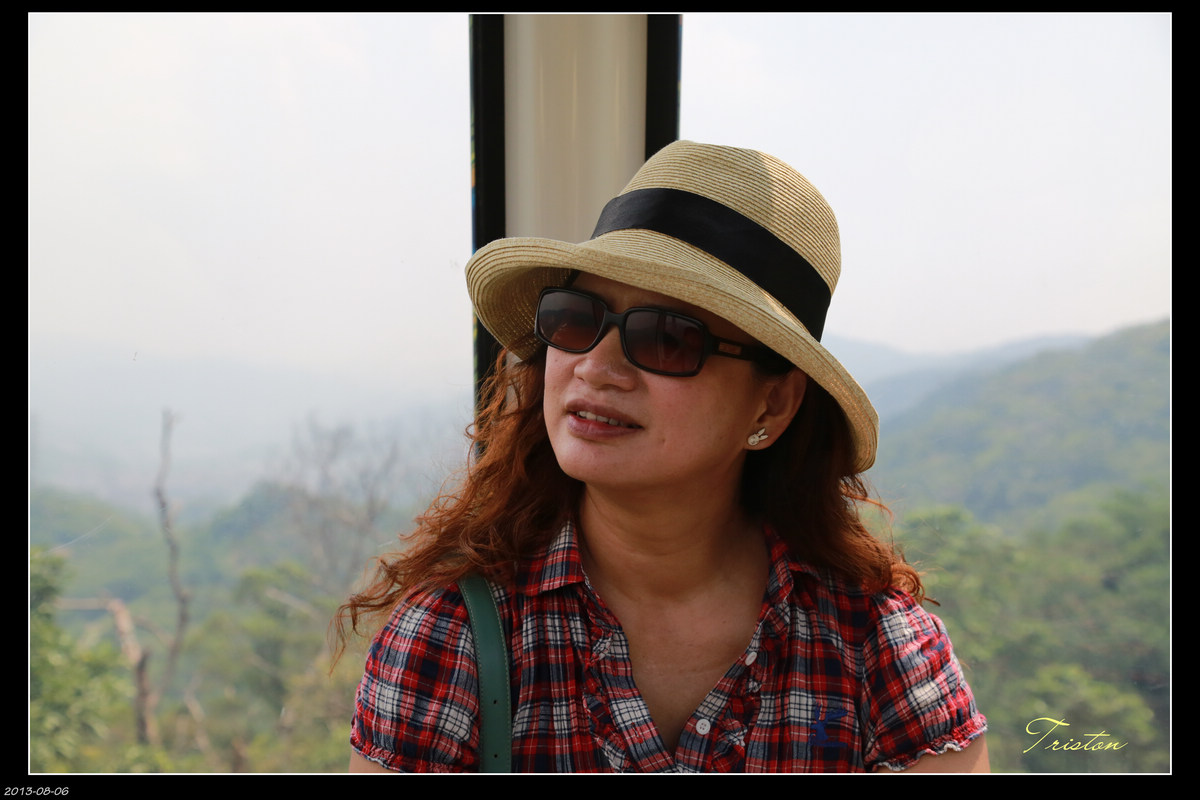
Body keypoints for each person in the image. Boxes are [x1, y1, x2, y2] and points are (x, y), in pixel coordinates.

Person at [337, 140, 989, 773]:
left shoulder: (878, 651)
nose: (596, 367)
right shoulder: (452, 640)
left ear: (771, 404)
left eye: (668, 338)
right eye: (576, 318)